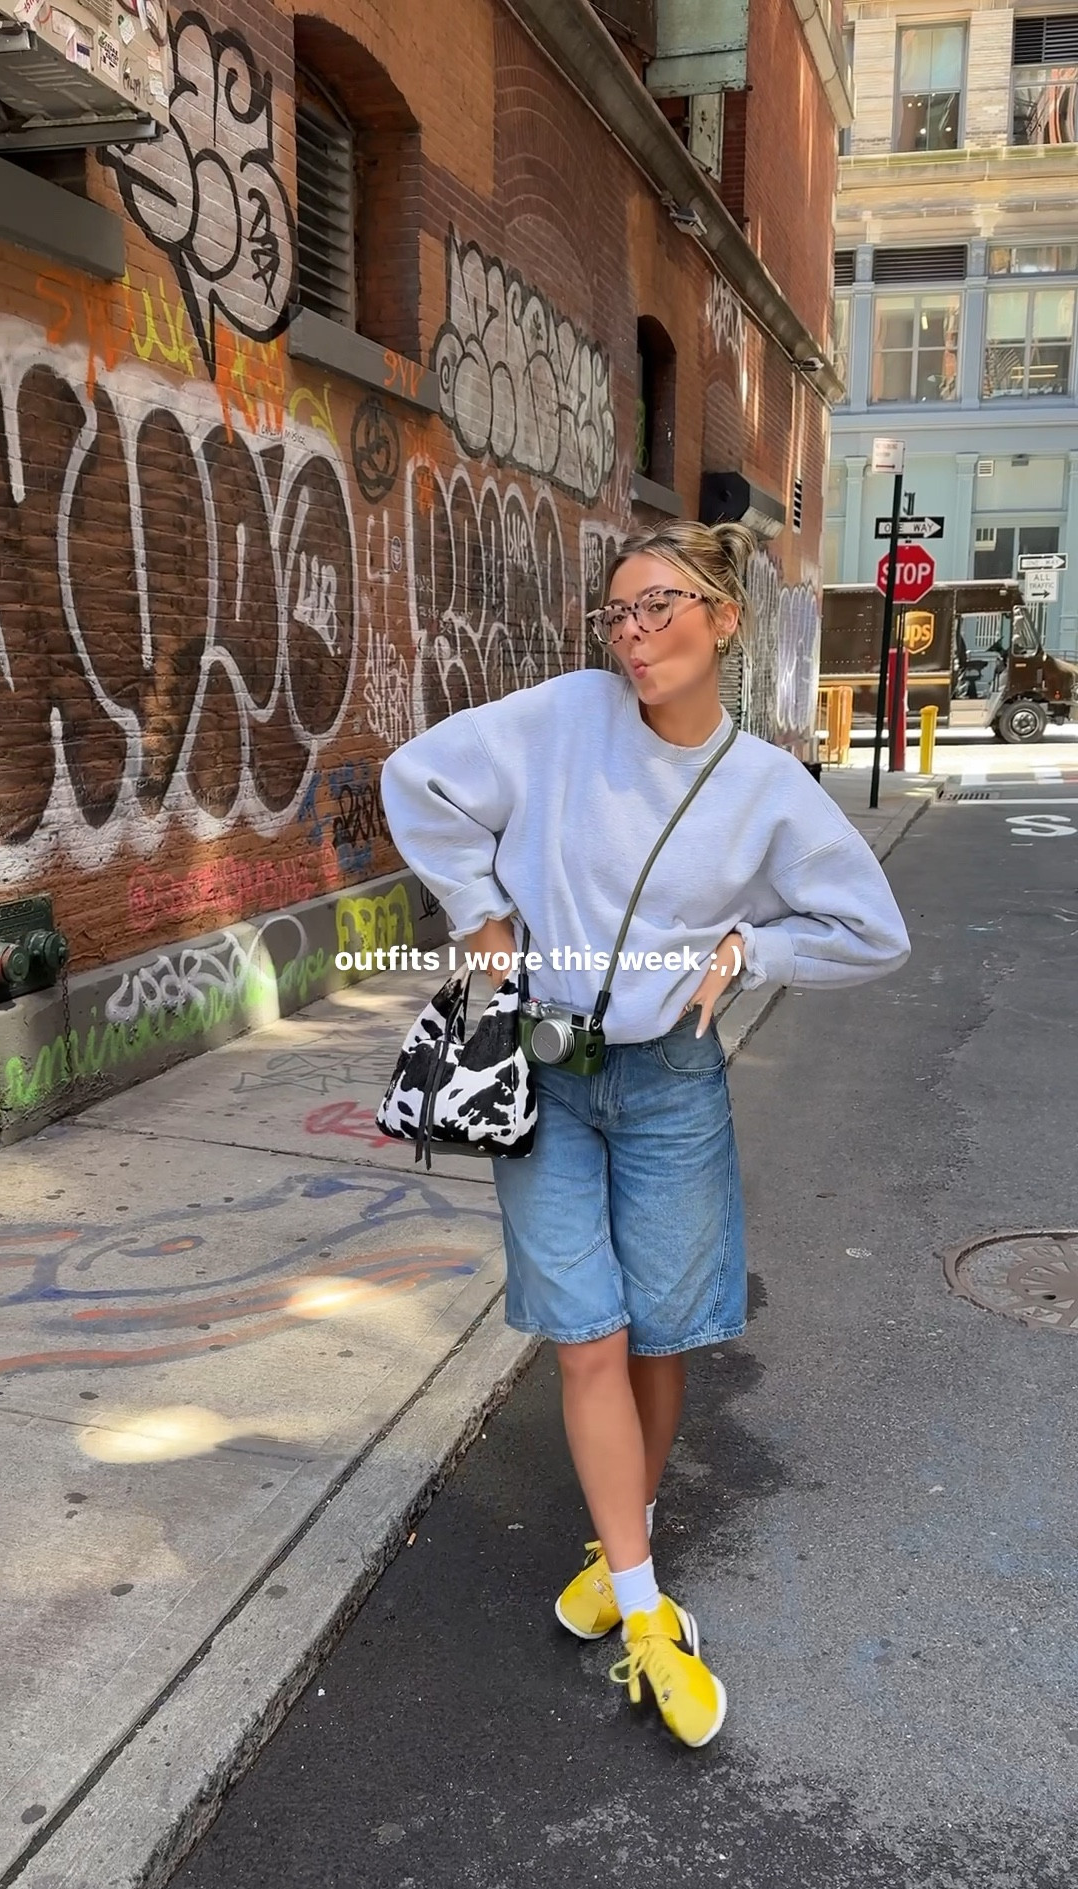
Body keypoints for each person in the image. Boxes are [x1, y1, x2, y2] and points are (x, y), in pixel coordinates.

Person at [380, 519, 910, 1749]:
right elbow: (423, 777)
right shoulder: (566, 716)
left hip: (670, 1086)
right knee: (586, 1339)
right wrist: (482, 915)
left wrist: (755, 948)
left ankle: (623, 1541)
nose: (633, 634)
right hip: (545, 1074)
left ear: (723, 619)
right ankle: (642, 1610)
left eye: (659, 606)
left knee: (662, 1340)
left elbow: (873, 930)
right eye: (617, 612)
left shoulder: (769, 790)